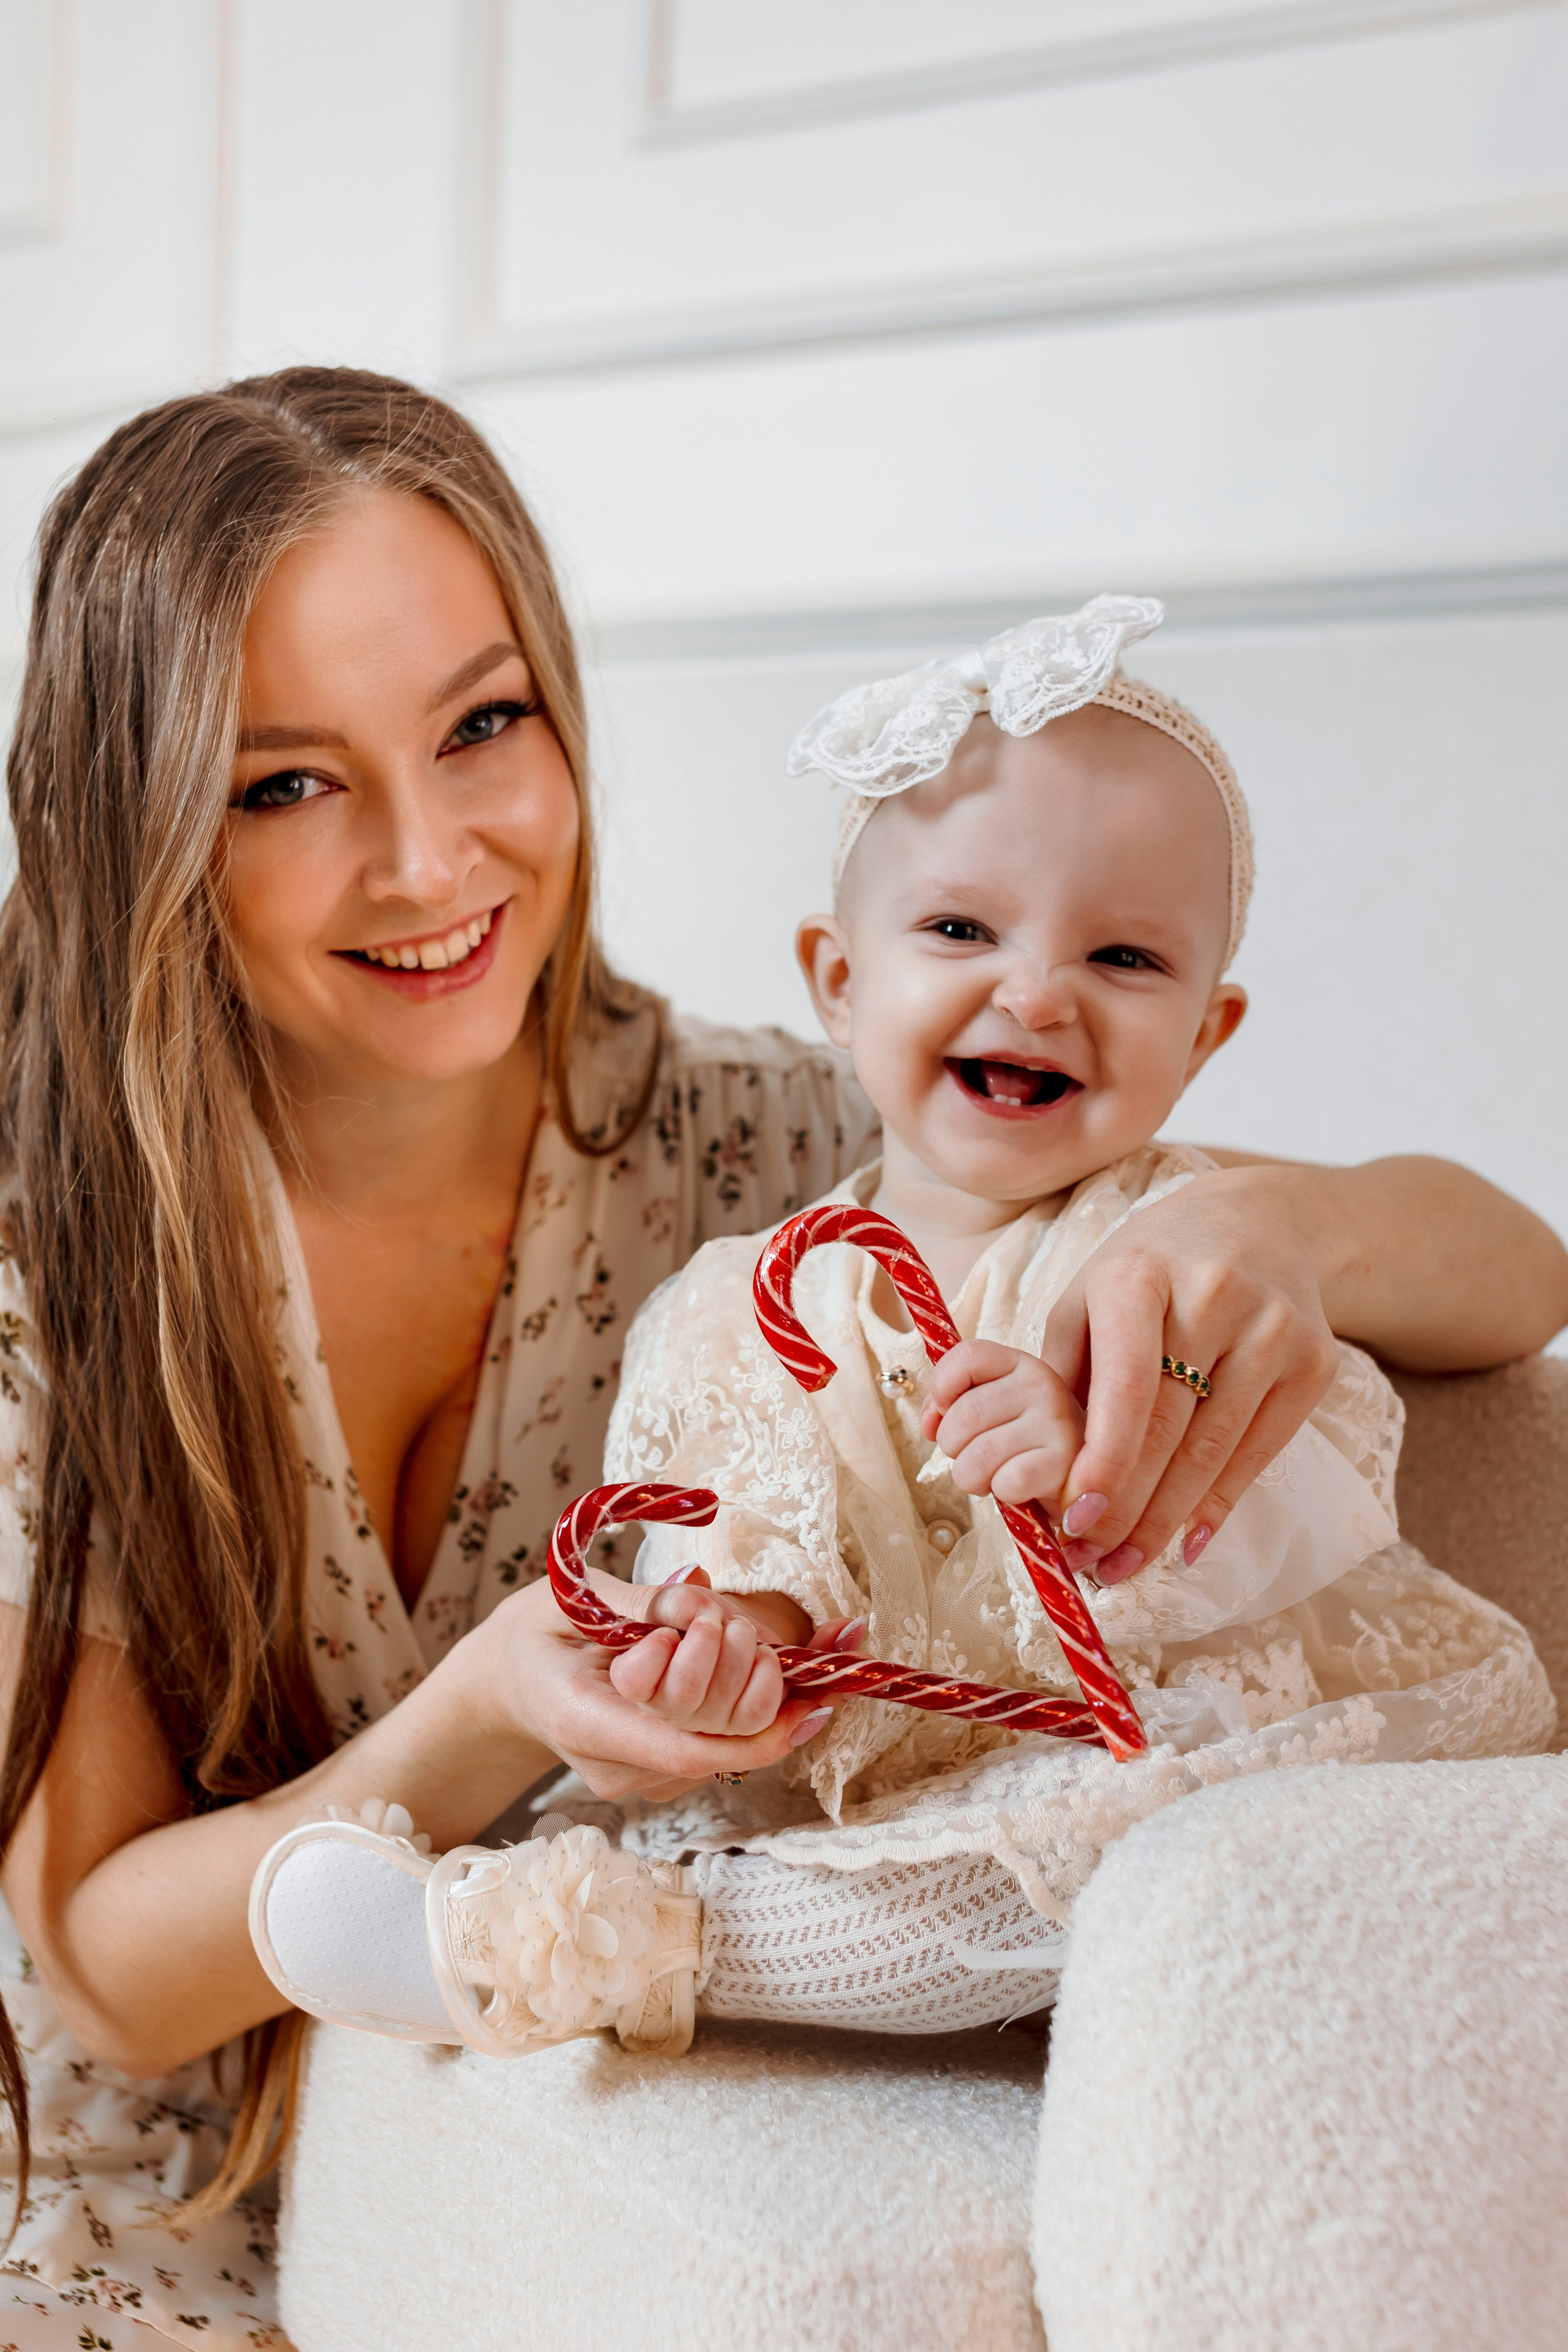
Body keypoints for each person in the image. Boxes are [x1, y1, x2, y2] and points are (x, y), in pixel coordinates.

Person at [0, 373, 1560, 2350]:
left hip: (556, 2124)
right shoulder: (50, 1258)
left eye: (486, 726)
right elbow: (111, 1976)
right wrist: (499, 1707)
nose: (428, 858)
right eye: (284, 783)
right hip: (136, 2206)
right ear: (138, 829)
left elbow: (1515, 1271)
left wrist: (1274, 1231)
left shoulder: (757, 1147)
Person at [257, 596, 1559, 2065]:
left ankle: (598, 1955)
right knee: (756, 1841)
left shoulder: (1171, 1255)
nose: (1035, 991)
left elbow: (1304, 1494)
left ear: (1205, 1033)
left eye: (1124, 961)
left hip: (1165, 1772)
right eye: (958, 928)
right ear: (837, 979)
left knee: (1110, 1865)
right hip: (885, 1790)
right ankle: (540, 1920)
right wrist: (726, 1645)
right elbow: (741, 1539)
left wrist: (1100, 1464)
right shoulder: (745, 1304)